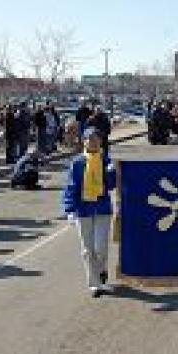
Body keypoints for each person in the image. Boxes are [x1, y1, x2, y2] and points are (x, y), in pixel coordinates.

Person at [62, 128, 117, 298]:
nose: (93, 141)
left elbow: (111, 186)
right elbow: (71, 187)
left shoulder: (105, 160)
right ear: (84, 141)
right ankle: (94, 284)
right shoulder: (77, 163)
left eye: (96, 138)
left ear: (101, 141)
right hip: (83, 210)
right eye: (89, 139)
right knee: (87, 249)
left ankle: (101, 270)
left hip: (102, 208)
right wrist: (70, 210)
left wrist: (112, 172)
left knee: (100, 247)